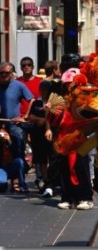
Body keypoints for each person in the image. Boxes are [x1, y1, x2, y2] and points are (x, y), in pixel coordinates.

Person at [56, 67, 94, 210]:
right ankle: (67, 198)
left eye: (71, 83)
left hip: (79, 137)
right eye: (66, 84)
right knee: (64, 168)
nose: (69, 86)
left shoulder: (85, 98)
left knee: (80, 167)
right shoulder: (62, 100)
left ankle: (85, 197)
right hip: (64, 137)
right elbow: (55, 120)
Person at [16, 56, 43, 189]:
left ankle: (39, 178)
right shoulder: (16, 82)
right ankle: (21, 180)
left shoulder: (39, 82)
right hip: (20, 121)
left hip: (35, 120)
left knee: (38, 150)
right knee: (19, 148)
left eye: (29, 65)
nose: (26, 67)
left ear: (33, 67)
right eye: (23, 65)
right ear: (21, 68)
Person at [0, 62, 35, 161]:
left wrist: (24, 117)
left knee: (18, 151)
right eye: (1, 73)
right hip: (0, 124)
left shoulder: (18, 85)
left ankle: (19, 173)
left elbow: (32, 100)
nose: (3, 75)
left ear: (11, 73)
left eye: (6, 73)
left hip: (14, 125)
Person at [0, 125, 30, 193]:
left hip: (14, 165)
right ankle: (4, 184)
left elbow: (19, 154)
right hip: (3, 167)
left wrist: (9, 141)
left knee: (19, 161)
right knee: (1, 185)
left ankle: (22, 185)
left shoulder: (16, 139)